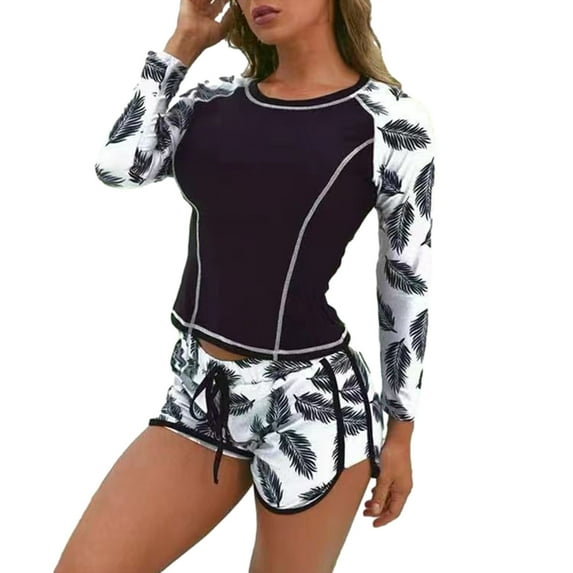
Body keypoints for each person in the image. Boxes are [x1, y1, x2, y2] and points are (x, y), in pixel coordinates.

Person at [55, 0, 436, 571]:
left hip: (311, 406)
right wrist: (183, 43)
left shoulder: (391, 123)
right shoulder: (210, 102)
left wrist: (400, 432)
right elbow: (119, 167)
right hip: (199, 395)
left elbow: (404, 283)